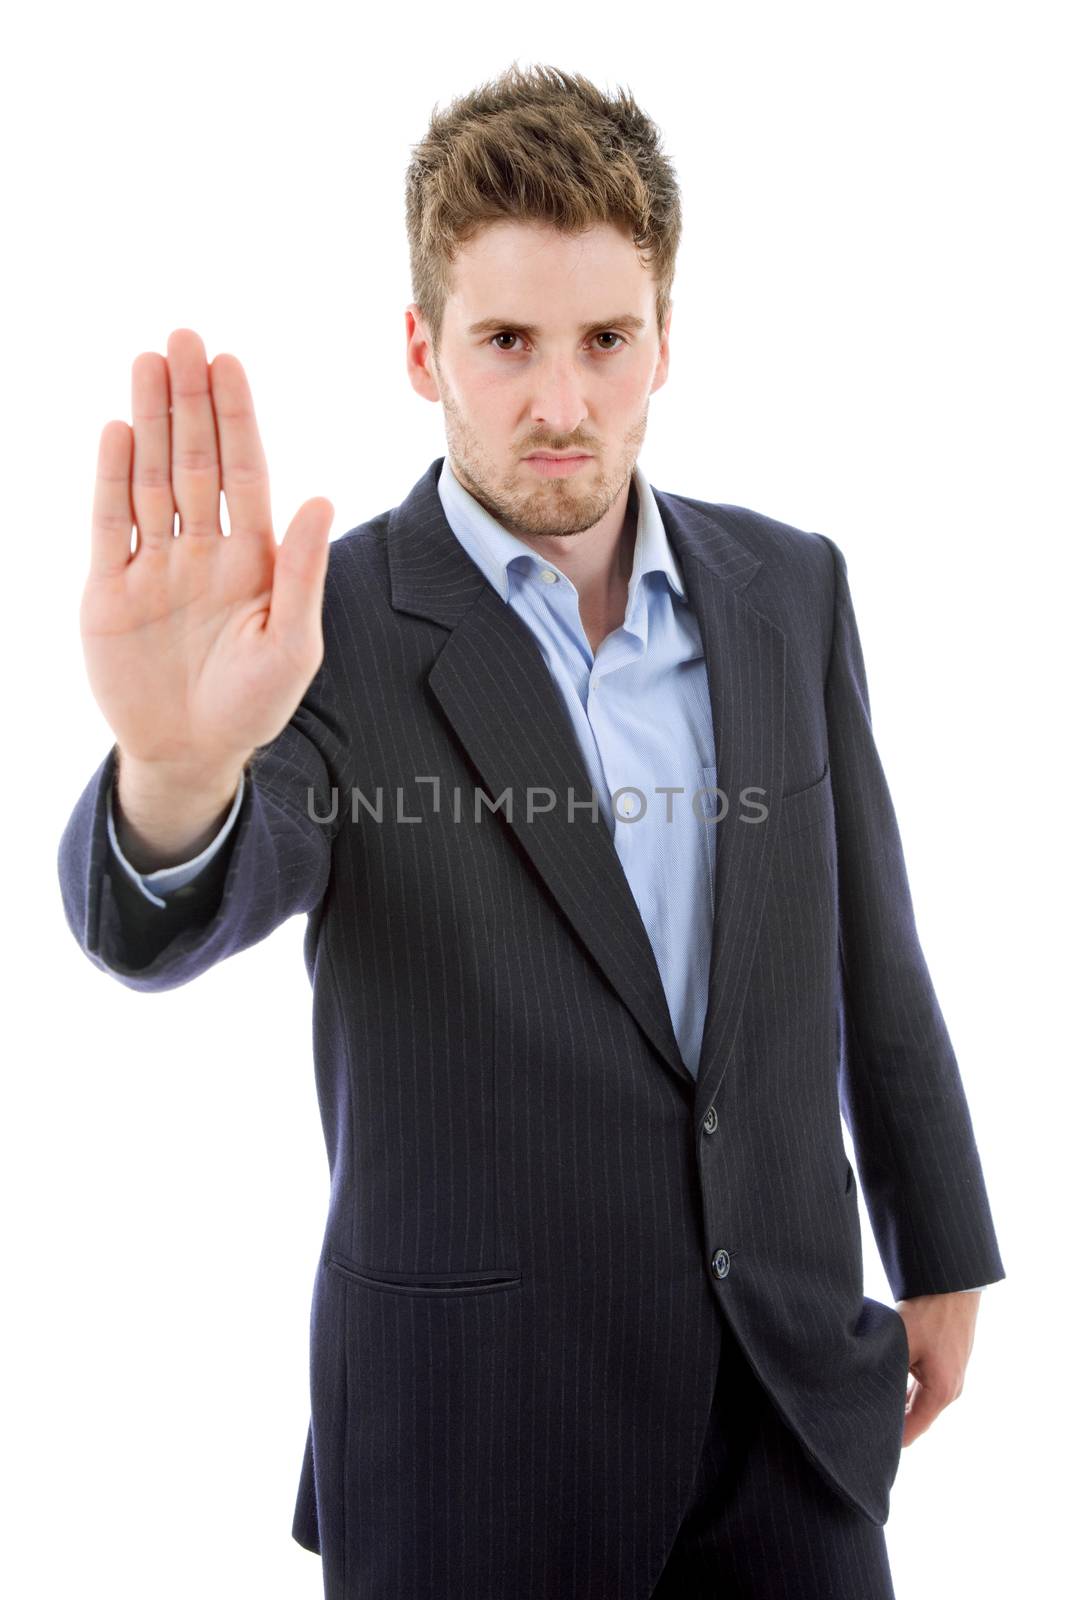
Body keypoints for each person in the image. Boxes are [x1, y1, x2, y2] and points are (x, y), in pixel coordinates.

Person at [58, 60, 1005, 1600]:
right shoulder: (326, 630)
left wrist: (944, 1236)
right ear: (423, 349)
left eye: (604, 341)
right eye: (506, 342)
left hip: (791, 1423)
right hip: (475, 1439)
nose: (560, 403)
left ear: (664, 347)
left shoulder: (792, 590)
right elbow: (203, 891)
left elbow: (866, 943)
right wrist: (174, 771)